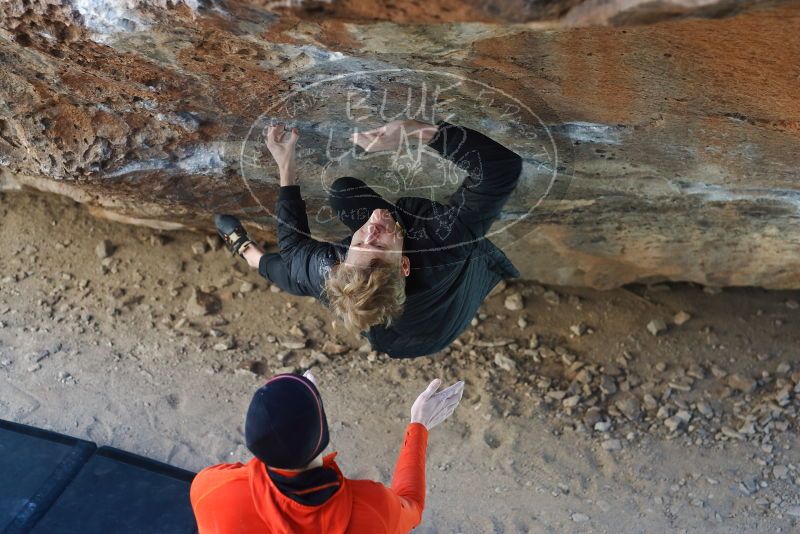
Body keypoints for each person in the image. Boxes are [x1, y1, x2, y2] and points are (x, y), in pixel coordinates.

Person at [216, 118, 523, 357]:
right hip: (444, 319)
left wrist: (286, 164)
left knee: (292, 271)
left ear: (342, 263)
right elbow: (501, 170)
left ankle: (248, 253)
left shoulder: (336, 272)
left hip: (388, 323)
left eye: (358, 242)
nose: (370, 229)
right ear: (404, 265)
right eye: (377, 244)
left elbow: (293, 249)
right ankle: (249, 254)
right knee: (298, 274)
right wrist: (416, 132)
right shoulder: (441, 246)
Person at [190, 371, 464, 533]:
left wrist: (287, 420)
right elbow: (411, 505)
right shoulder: (373, 508)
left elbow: (253, 472)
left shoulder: (211, 489)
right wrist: (419, 425)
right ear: (323, 435)